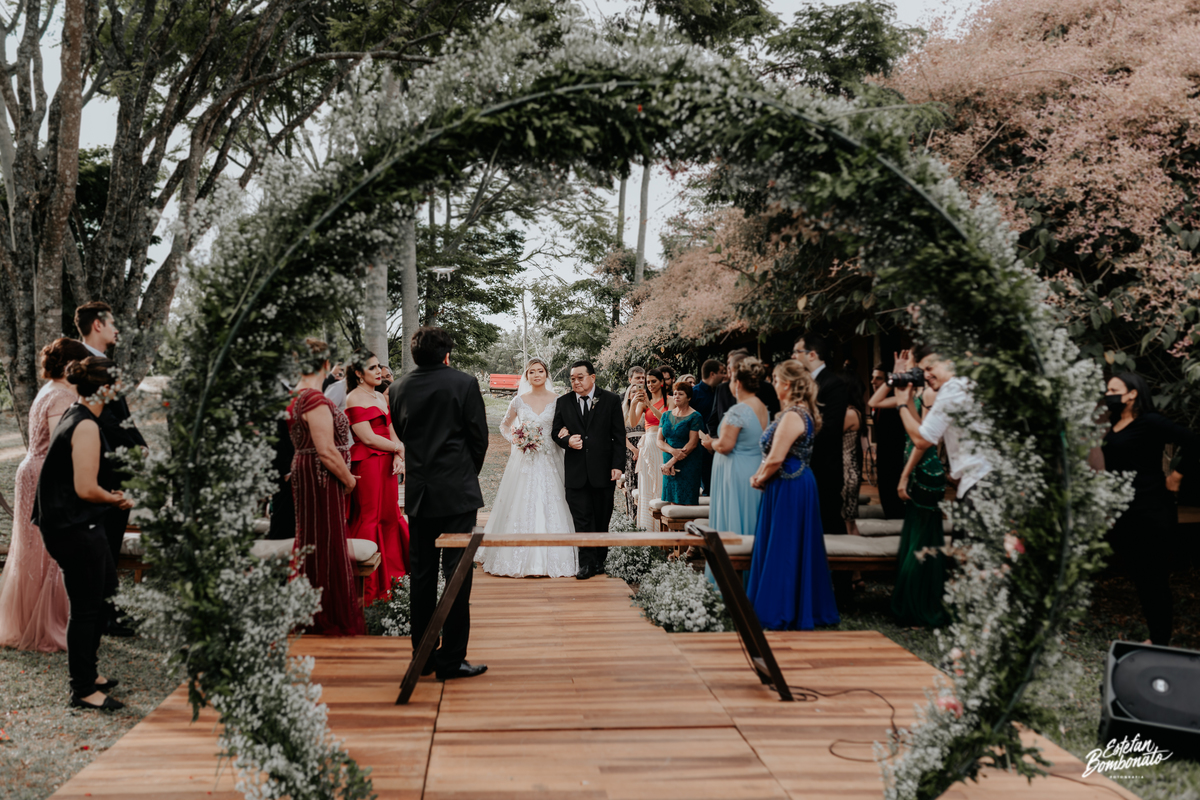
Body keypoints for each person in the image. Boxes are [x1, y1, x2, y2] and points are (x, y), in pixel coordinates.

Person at [388, 326, 489, 680]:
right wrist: (465, 474)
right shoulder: (464, 383)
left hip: (419, 493)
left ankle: (423, 656)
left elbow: (402, 433)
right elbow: (478, 437)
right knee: (457, 575)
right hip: (457, 493)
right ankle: (452, 660)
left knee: (422, 576)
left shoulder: (397, 388)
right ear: (447, 354)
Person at [32, 357, 131, 710]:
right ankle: (83, 690)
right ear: (106, 388)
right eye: (118, 383)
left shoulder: (81, 414)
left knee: (104, 594)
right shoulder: (85, 425)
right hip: (72, 527)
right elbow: (86, 488)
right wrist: (117, 499)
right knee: (87, 608)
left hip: (82, 522)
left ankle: (91, 672)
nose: (122, 389)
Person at [0, 339, 90, 652]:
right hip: (45, 474)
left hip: (31, 470)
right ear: (70, 365)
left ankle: (28, 621)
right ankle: (47, 626)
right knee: (48, 549)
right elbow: (58, 444)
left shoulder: (47, 390)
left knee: (33, 548)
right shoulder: (63, 395)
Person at [1102, 372, 1200, 646]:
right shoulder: (1113, 423)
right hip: (1125, 511)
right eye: (1107, 390)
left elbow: (1194, 442)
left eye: (1114, 390)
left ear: (1133, 393)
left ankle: (1159, 641)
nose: (1108, 394)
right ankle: (1156, 636)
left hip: (1151, 509)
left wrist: (1176, 476)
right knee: (1140, 577)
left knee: (1154, 578)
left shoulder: (1150, 422)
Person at [746, 361, 839, 630]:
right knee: (788, 541)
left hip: (790, 483)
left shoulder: (793, 415)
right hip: (791, 481)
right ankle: (792, 603)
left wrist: (759, 477)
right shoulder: (797, 412)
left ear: (787, 384)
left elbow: (776, 457)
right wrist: (762, 474)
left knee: (785, 543)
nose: (773, 384)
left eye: (775, 380)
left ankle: (782, 609)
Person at [75, 301, 147, 637]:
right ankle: (102, 614)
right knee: (101, 541)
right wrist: (133, 445)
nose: (117, 329)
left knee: (111, 540)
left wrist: (140, 443)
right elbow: (102, 415)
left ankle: (110, 610)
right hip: (99, 464)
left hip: (118, 464)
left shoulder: (107, 363)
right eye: (113, 323)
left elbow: (122, 414)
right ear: (97, 325)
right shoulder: (80, 364)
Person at [287, 339, 365, 637]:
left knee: (314, 538)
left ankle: (310, 606)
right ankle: (324, 612)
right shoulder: (314, 399)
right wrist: (349, 480)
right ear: (324, 364)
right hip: (321, 475)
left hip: (307, 471)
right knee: (326, 539)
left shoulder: (297, 394)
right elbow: (327, 451)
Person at [477, 357, 577, 578]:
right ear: (526, 376)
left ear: (546, 374)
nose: (536, 375)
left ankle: (554, 557)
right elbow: (504, 425)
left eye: (540, 371)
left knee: (555, 501)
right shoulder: (519, 401)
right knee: (521, 501)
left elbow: (566, 426)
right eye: (532, 372)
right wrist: (517, 439)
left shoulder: (558, 400)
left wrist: (565, 433)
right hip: (526, 460)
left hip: (551, 458)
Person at [893, 344, 993, 536]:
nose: (926, 375)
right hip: (974, 482)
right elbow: (925, 431)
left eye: (930, 368)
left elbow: (922, 440)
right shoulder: (963, 385)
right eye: (922, 371)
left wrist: (901, 404)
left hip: (981, 483)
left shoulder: (953, 388)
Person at [889, 351, 949, 627]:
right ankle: (918, 601)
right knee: (918, 535)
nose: (921, 373)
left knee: (922, 539)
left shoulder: (935, 395)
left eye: (924, 367)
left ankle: (921, 604)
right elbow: (916, 427)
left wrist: (904, 476)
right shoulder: (920, 393)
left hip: (926, 471)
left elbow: (922, 442)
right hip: (920, 469)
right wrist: (899, 379)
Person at [345, 350, 410, 607]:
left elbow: (391, 429)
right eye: (372, 368)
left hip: (387, 463)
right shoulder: (353, 397)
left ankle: (393, 575)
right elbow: (368, 437)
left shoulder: (380, 396)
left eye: (378, 367)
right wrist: (397, 448)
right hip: (368, 462)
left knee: (390, 515)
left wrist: (398, 455)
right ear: (358, 373)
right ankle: (368, 585)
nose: (379, 372)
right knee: (370, 516)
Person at [551, 359, 625, 579]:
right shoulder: (563, 402)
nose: (576, 382)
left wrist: (617, 466)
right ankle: (586, 563)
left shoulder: (611, 400)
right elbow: (555, 432)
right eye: (572, 378)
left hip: (603, 470)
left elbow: (619, 436)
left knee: (602, 518)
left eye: (580, 378)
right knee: (581, 519)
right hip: (576, 472)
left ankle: (600, 560)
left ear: (592, 377)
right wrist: (567, 441)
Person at [702, 355, 768, 546]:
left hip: (736, 473)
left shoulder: (739, 410)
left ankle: (734, 563)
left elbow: (725, 445)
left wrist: (710, 443)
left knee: (735, 524)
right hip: (754, 467)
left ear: (737, 383)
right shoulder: (762, 407)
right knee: (751, 518)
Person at [792, 334, 850, 543]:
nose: (793, 357)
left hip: (825, 468)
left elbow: (830, 429)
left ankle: (843, 564)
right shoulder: (803, 384)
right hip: (805, 468)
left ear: (812, 354)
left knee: (830, 525)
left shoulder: (833, 384)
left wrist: (794, 438)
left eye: (797, 352)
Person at [708, 348, 780, 439]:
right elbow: (713, 420)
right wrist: (715, 437)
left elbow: (774, 417)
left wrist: (713, 443)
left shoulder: (766, 388)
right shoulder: (721, 388)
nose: (729, 367)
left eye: (734, 363)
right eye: (728, 363)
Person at [867, 363, 907, 519]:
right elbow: (873, 403)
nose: (873, 382)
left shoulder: (897, 400)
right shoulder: (878, 402)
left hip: (897, 454)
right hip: (883, 453)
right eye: (872, 378)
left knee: (893, 492)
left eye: (878, 378)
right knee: (885, 490)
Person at [632, 368, 669, 531]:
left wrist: (650, 406)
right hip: (648, 443)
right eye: (647, 382)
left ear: (661, 382)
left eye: (653, 381)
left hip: (663, 443)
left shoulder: (670, 400)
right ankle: (647, 528)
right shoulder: (643, 402)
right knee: (646, 484)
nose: (650, 384)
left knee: (661, 482)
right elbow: (633, 422)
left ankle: (663, 528)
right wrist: (634, 403)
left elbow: (667, 421)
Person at [657, 381, 706, 505]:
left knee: (687, 502)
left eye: (681, 394)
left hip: (688, 462)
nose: (676, 396)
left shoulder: (695, 416)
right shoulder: (665, 415)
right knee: (672, 502)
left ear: (689, 397)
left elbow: (692, 444)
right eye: (675, 394)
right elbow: (659, 441)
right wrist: (672, 452)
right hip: (668, 462)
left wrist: (671, 461)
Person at [691, 359, 724, 496]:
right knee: (708, 487)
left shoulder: (722, 391)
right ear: (712, 374)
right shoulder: (694, 393)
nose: (724, 375)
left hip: (721, 443)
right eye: (722, 372)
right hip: (701, 445)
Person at [621, 366, 647, 519]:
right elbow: (620, 434)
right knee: (632, 481)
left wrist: (641, 449)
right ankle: (633, 516)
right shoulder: (623, 410)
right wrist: (633, 449)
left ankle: (645, 517)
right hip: (630, 448)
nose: (635, 394)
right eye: (632, 392)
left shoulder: (646, 407)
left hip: (645, 445)